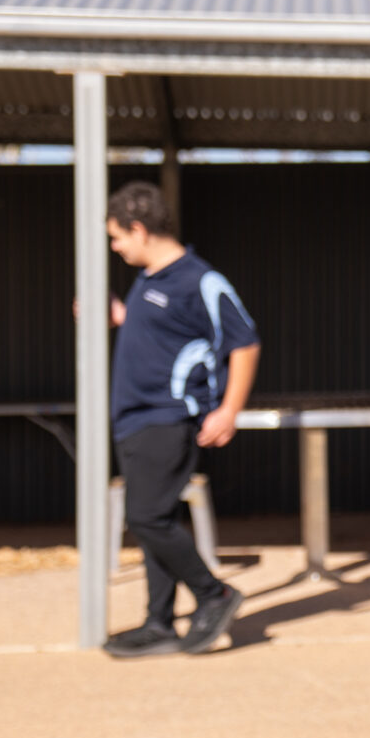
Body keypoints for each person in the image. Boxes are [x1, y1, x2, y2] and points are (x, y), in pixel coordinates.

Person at [99, 181, 259, 659]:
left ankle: (215, 594)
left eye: (116, 237)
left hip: (167, 419)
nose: (115, 247)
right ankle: (159, 623)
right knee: (157, 520)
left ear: (139, 229)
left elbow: (245, 341)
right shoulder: (149, 279)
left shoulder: (199, 280)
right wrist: (119, 316)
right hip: (136, 419)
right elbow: (163, 335)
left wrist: (229, 410)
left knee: (146, 518)